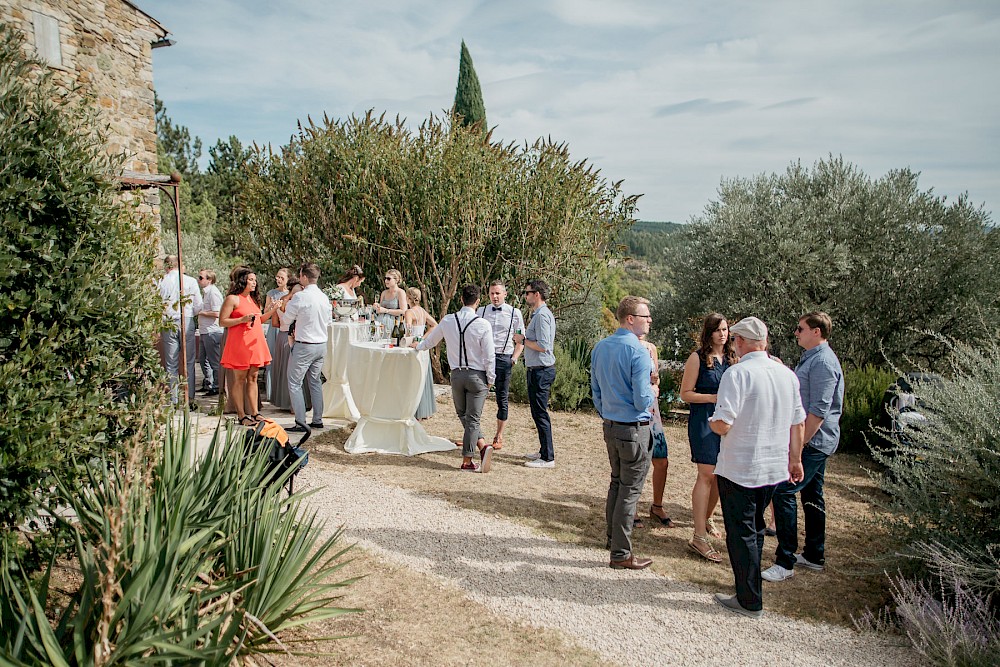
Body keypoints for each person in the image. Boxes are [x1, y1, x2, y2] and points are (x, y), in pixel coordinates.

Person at [709, 316, 805, 618]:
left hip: (741, 466)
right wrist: (795, 458)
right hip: (773, 467)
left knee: (740, 533)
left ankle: (748, 598)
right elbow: (797, 421)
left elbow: (724, 423)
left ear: (739, 341)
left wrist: (712, 422)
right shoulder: (787, 374)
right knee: (757, 528)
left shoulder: (737, 374)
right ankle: (750, 590)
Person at [762, 312, 844, 583]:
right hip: (816, 441)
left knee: (784, 490)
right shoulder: (812, 358)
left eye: (800, 329)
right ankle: (813, 555)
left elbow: (818, 412)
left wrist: (798, 446)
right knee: (812, 496)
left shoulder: (822, 362)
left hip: (814, 441)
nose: (795, 333)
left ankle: (785, 561)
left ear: (817, 331)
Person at [591, 296, 657, 569]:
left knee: (617, 483)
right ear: (630, 318)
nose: (649, 321)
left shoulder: (601, 347)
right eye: (645, 316)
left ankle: (612, 538)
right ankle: (621, 554)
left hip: (611, 425)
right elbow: (643, 400)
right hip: (634, 428)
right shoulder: (639, 351)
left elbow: (595, 391)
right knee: (629, 490)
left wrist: (609, 413)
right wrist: (653, 391)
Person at [415, 284, 496, 472]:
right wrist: (491, 379)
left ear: (461, 299)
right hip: (477, 375)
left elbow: (429, 342)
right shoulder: (483, 324)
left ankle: (483, 448)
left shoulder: (448, 320)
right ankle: (469, 459)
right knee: (472, 418)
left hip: (457, 375)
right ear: (477, 302)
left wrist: (416, 346)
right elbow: (489, 355)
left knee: (464, 415)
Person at [680, 313, 737, 562]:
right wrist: (713, 398)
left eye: (725, 329)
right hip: (703, 421)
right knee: (706, 474)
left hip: (728, 423)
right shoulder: (698, 358)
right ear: (708, 333)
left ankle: (708, 517)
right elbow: (686, 394)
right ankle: (699, 536)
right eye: (717, 330)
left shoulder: (734, 358)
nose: (722, 334)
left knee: (720, 475)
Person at [220, 267, 278, 425]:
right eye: (251, 279)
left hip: (255, 342)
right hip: (239, 343)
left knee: (253, 378)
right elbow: (222, 321)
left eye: (255, 280)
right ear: (242, 281)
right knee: (239, 380)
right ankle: (241, 415)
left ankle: (255, 413)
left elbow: (260, 319)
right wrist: (241, 320)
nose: (254, 282)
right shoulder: (232, 299)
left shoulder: (254, 299)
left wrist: (274, 310)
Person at [284, 263, 332, 436]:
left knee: (294, 383)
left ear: (303, 276)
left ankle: (300, 421)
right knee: (315, 381)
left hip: (305, 344)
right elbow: (328, 321)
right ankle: (317, 419)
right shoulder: (324, 297)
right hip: (321, 345)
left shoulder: (300, 297)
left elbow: (286, 320)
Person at [513, 279, 556, 468]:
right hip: (537, 369)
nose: (525, 295)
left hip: (541, 370)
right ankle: (543, 450)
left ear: (536, 294)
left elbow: (544, 346)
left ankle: (548, 458)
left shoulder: (542, 316)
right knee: (537, 412)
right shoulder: (538, 314)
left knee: (540, 413)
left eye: (527, 292)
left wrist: (522, 340)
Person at [476, 280, 525, 449]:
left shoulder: (514, 313)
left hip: (504, 358)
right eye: (492, 293)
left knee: (502, 398)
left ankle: (499, 435)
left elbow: (521, 339)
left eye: (498, 293)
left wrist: (514, 358)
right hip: (484, 359)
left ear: (505, 294)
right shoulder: (481, 311)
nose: (495, 297)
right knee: (477, 396)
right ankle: (475, 434)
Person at [158, 255, 203, 407]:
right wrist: (190, 312)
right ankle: (189, 397)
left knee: (171, 362)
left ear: (166, 266)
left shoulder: (161, 282)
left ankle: (173, 399)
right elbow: (199, 305)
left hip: (168, 321)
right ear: (179, 265)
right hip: (187, 319)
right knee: (189, 360)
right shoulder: (189, 281)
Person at [639, 333, 672, 528]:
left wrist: (655, 381)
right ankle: (631, 508)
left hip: (653, 411)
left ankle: (657, 506)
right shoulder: (627, 347)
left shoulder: (651, 348)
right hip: (636, 409)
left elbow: (655, 378)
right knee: (637, 461)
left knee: (661, 460)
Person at [405, 286, 439, 420]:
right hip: (422, 347)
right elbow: (435, 325)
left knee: (413, 378)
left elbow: (408, 331)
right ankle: (426, 410)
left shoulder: (409, 312)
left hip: (412, 346)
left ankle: (413, 410)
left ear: (408, 298)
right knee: (423, 377)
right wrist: (423, 339)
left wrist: (411, 339)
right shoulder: (422, 311)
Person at [269, 276, 301, 411]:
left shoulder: (280, 301)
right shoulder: (296, 301)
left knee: (282, 369)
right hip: (293, 337)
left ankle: (283, 401)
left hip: (281, 336)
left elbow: (274, 323)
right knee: (294, 371)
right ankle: (295, 405)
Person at [195, 269, 223, 397]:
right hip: (204, 330)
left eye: (201, 278)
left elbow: (217, 313)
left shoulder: (213, 293)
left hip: (212, 331)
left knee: (214, 360)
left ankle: (217, 386)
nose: (199, 280)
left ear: (209, 279)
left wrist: (202, 312)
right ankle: (209, 382)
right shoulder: (206, 293)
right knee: (202, 359)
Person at [264, 268, 290, 401]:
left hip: (285, 329)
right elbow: (265, 311)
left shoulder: (291, 294)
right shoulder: (271, 293)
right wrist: (271, 307)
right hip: (273, 329)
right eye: (277, 277)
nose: (279, 280)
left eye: (282, 278)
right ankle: (271, 392)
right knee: (271, 357)